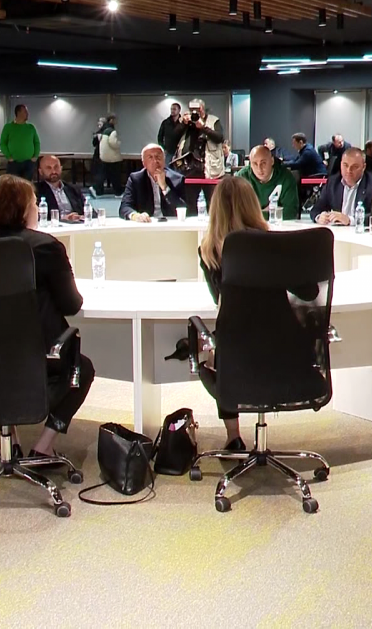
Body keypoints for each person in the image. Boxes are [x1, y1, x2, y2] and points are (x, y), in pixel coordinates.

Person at [0, 175, 95, 456]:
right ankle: (43, 448)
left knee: (1, 366)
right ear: (24, 209)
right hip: (37, 356)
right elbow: (71, 304)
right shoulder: (45, 246)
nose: (36, 208)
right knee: (81, 369)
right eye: (34, 203)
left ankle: (10, 442)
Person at [197, 175, 270, 449]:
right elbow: (307, 292)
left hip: (235, 350)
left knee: (214, 351)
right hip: (279, 346)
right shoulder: (273, 245)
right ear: (252, 205)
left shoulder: (208, 252)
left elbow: (220, 299)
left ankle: (233, 435)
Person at [120, 144, 186, 221]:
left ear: (164, 160)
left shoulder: (177, 179)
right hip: (147, 223)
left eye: (158, 157)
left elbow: (183, 208)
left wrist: (164, 187)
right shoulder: (136, 179)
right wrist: (135, 216)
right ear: (144, 163)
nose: (155, 161)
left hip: (170, 222)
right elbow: (125, 207)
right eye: (150, 157)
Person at [310, 148, 372, 225]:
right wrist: (319, 217)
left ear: (363, 167)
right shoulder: (333, 182)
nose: (348, 170)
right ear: (340, 164)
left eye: (355, 167)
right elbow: (316, 209)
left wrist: (350, 220)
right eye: (345, 165)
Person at [236, 144, 300, 220]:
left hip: (279, 226)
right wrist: (269, 212)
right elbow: (235, 212)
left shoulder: (286, 177)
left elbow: (290, 212)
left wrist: (254, 214)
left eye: (263, 163)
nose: (259, 168)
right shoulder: (241, 177)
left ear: (272, 161)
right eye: (255, 163)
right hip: (249, 226)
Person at [176, 99, 225, 179]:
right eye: (192, 109)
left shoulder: (213, 120)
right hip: (189, 166)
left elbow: (219, 138)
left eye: (197, 109)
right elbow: (172, 138)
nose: (195, 112)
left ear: (202, 108)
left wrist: (203, 127)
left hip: (209, 165)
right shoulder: (187, 122)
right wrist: (183, 124)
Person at [36, 154, 86, 223]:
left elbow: (89, 211)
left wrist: (80, 217)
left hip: (77, 225)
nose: (53, 171)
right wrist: (63, 219)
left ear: (61, 168)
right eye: (48, 168)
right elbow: (37, 217)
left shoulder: (73, 189)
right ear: (41, 172)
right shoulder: (36, 191)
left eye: (56, 167)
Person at [0, 104, 41, 180]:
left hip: (29, 163)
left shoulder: (31, 127)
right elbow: (3, 143)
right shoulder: (8, 127)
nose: (27, 114)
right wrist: (9, 157)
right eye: (25, 111)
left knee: (27, 184)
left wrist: (35, 156)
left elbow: (36, 142)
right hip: (14, 163)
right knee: (12, 184)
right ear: (18, 112)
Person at [97, 114, 124, 195]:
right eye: (115, 120)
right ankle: (118, 191)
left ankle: (98, 190)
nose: (116, 121)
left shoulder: (103, 130)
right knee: (115, 175)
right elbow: (113, 143)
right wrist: (118, 143)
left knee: (102, 175)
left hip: (103, 156)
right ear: (111, 120)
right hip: (112, 157)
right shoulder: (112, 131)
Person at [157, 103, 185, 167]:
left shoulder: (183, 123)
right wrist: (163, 148)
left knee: (178, 170)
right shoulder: (165, 122)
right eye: (171, 109)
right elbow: (160, 137)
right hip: (168, 151)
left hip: (180, 152)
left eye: (174, 109)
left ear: (179, 110)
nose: (172, 111)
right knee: (166, 169)